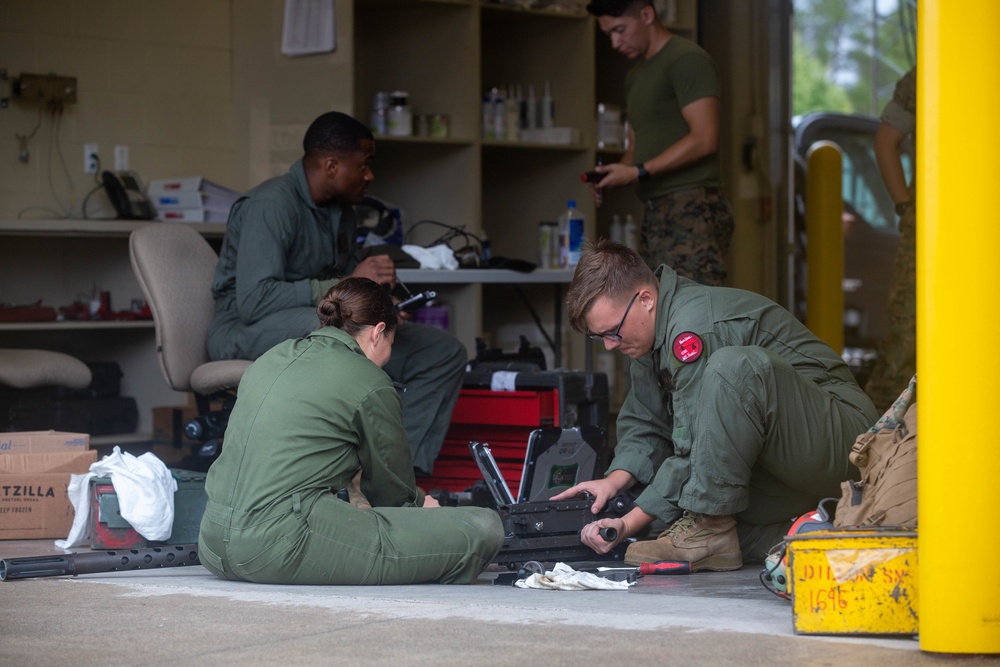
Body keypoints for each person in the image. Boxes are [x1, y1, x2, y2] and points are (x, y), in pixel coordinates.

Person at [552, 240, 878, 571]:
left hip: (846, 440)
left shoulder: (692, 329)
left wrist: (628, 522)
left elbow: (695, 448)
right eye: (600, 337)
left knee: (732, 368)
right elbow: (645, 424)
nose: (609, 345)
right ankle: (816, 528)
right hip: (788, 453)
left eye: (613, 333)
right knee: (676, 517)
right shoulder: (642, 336)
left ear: (646, 300)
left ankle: (710, 530)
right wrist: (613, 483)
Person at [207, 111, 467, 475]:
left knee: (442, 353)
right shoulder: (270, 207)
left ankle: (400, 478)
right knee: (347, 331)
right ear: (331, 165)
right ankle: (351, 474)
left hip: (323, 319)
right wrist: (345, 288)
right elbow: (254, 301)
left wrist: (379, 304)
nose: (370, 175)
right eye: (363, 166)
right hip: (242, 330)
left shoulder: (341, 213)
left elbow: (344, 290)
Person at [198, 278, 504, 585]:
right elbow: (393, 498)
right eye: (391, 342)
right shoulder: (369, 381)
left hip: (212, 542)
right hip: (277, 546)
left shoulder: (272, 357)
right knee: (482, 526)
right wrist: (425, 509)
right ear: (378, 332)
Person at [585, 0, 735, 286]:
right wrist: (617, 173)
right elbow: (635, 149)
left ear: (647, 14)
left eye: (620, 30)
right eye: (609, 35)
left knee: (694, 312)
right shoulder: (635, 77)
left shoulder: (687, 59)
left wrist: (639, 171)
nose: (615, 43)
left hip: (692, 206)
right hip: (655, 210)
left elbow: (705, 138)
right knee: (661, 310)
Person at [864, 67, 916, 413]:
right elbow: (886, 142)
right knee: (904, 344)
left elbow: (885, 141)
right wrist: (908, 209)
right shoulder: (930, 72)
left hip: (935, 225)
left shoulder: (934, 66)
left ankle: (875, 455)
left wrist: (907, 208)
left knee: (906, 342)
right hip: (936, 227)